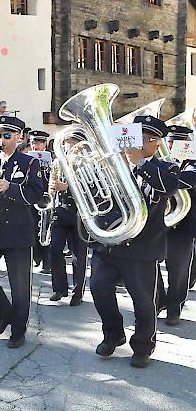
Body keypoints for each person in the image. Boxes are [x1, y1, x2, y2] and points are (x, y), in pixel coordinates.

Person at [90, 115, 179, 368]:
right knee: (98, 287)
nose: (137, 143)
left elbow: (168, 188)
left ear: (156, 143)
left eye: (145, 139)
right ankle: (113, 334)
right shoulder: (113, 165)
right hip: (110, 243)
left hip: (143, 247)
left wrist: (139, 162)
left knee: (143, 301)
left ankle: (142, 346)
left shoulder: (166, 168)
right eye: (135, 137)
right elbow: (98, 197)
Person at [0, 116, 44, 349]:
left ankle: (18, 329)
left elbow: (37, 194)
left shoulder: (30, 163)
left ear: (18, 137)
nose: (1, 140)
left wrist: (11, 187)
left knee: (19, 286)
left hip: (18, 232)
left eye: (6, 135)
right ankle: (5, 314)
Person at [156, 125, 195, 326]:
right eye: (169, 142)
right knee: (150, 265)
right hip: (158, 223)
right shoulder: (161, 162)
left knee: (178, 270)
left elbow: (191, 179)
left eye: (174, 142)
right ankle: (159, 300)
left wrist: (170, 176)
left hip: (183, 225)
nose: (169, 146)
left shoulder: (192, 163)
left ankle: (174, 307)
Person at [47, 132, 89, 306]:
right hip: (61, 210)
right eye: (66, 142)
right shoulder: (58, 162)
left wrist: (68, 187)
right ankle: (59, 288)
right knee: (55, 249)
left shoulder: (87, 164)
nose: (68, 146)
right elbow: (51, 186)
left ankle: (77, 292)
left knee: (79, 255)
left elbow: (90, 189)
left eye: (72, 143)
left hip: (81, 212)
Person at [29, 130, 51, 271]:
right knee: (32, 229)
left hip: (46, 200)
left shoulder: (52, 159)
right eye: (32, 143)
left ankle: (47, 263)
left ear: (44, 144)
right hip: (32, 199)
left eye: (37, 143)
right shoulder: (27, 159)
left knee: (45, 230)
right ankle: (36, 257)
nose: (34, 146)